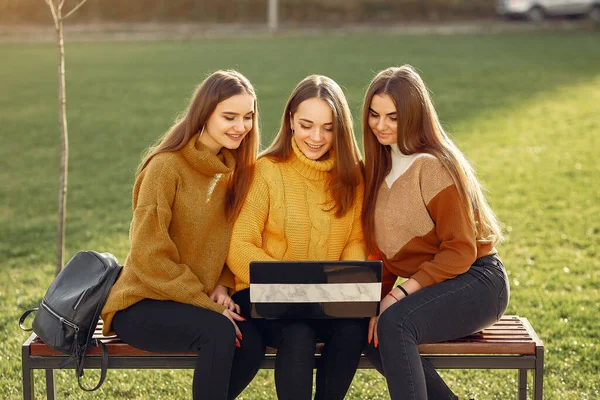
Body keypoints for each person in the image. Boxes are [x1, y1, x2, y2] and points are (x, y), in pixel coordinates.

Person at [101, 70, 265, 400]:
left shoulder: (231, 171)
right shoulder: (165, 167)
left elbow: (228, 240)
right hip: (143, 301)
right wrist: (205, 302)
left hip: (194, 300)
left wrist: (222, 284)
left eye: (247, 117)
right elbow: (150, 255)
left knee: (253, 340)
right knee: (219, 332)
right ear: (204, 114)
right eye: (229, 116)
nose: (241, 126)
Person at [361, 65, 510, 400]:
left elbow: (460, 249)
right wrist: (373, 303)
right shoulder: (377, 169)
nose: (380, 125)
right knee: (367, 330)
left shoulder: (432, 165)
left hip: (479, 281)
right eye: (374, 114)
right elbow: (383, 255)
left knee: (395, 324)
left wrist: (398, 295)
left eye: (393, 117)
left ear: (413, 116)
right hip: (437, 284)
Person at [226, 75, 367, 400]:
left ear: (340, 129)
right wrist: (289, 284)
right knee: (298, 332)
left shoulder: (353, 178)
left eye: (328, 128)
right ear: (290, 121)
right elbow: (240, 245)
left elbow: (355, 240)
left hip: (325, 299)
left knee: (352, 330)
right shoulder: (266, 171)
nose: (316, 137)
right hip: (265, 296)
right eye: (306, 125)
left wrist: (348, 288)